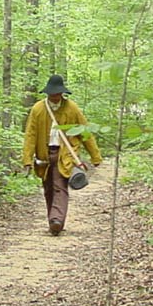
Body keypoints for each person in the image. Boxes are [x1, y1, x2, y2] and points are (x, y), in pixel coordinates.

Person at [22, 74, 102, 236]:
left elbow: (84, 132)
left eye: (58, 94)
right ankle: (52, 219)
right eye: (52, 94)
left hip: (64, 154)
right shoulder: (38, 109)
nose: (55, 97)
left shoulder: (72, 108)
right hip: (43, 155)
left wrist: (95, 156)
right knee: (48, 188)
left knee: (60, 186)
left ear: (62, 93)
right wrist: (27, 160)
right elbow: (30, 135)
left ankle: (56, 220)